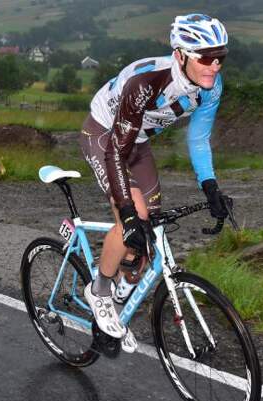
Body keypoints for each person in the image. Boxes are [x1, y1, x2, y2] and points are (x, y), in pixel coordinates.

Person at [80, 14, 230, 351]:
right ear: (180, 55)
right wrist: (128, 212)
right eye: (206, 58)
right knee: (135, 216)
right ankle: (99, 290)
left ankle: (116, 308)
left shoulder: (211, 87)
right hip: (105, 136)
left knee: (150, 236)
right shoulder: (147, 81)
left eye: (221, 57)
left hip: (138, 143)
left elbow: (199, 140)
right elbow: (116, 154)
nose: (215, 66)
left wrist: (211, 187)